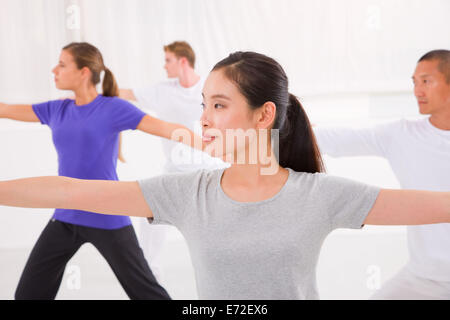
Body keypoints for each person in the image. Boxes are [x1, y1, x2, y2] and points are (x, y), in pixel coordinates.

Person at [1, 51, 449, 300]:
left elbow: (436, 205)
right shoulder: (186, 193)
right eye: (203, 105)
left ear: (263, 115)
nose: (204, 120)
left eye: (219, 105)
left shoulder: (319, 195)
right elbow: (67, 189)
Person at [0, 42, 198, 300]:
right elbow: (3, 109)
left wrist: (216, 143)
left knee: (147, 293)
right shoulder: (56, 109)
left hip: (107, 215)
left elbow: (166, 128)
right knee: (28, 295)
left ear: (84, 72)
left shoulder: (113, 108)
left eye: (62, 64)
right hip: (65, 217)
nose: (54, 70)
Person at [313, 49, 450, 299]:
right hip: (423, 278)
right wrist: (268, 134)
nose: (417, 91)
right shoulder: (402, 136)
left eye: (426, 81)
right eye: (414, 82)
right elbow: (338, 140)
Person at [119, 41, 227, 283]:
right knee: (147, 210)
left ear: (183, 61)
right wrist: (95, 87)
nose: (164, 65)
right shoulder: (162, 89)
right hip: (175, 172)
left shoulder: (210, 87)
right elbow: (126, 94)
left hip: (211, 171)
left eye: (168, 60)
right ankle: (148, 275)